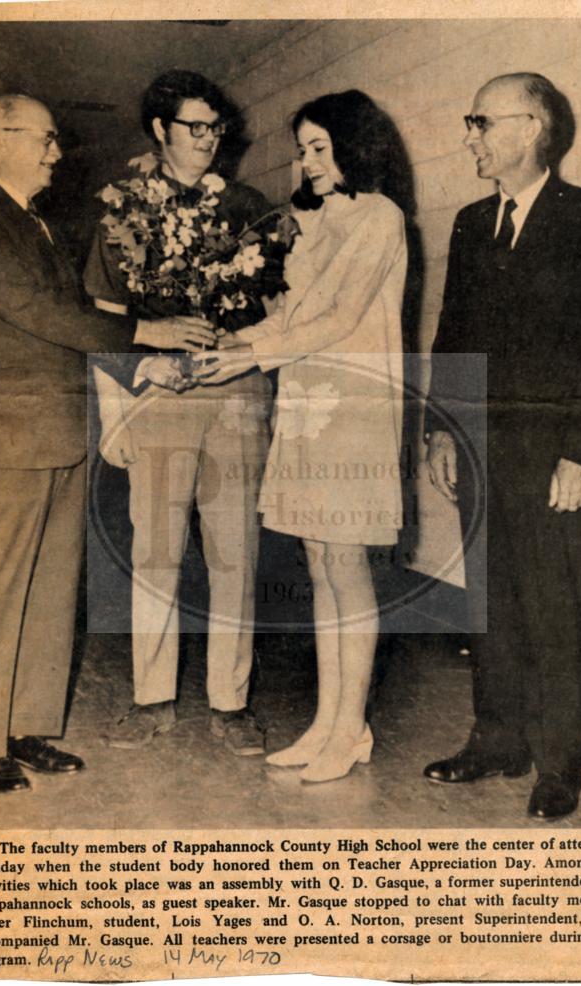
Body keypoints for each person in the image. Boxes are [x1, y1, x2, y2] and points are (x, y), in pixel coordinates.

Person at [0, 94, 170, 792]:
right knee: (0, 588)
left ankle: (27, 729)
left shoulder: (35, 222)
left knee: (51, 591)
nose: (55, 152)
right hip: (3, 434)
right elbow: (45, 315)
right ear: (1, 138)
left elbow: (67, 316)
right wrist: (144, 336)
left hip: (60, 428)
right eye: (44, 139)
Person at [424, 73, 581, 819]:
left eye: (480, 121)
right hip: (483, 449)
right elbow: (453, 338)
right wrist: (442, 433)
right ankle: (497, 740)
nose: (470, 136)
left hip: (557, 460)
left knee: (553, 606)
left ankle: (557, 764)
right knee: (491, 604)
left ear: (530, 126)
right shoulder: (469, 223)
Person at [195, 90, 408, 782]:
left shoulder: (381, 217)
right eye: (303, 149)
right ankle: (329, 724)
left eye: (320, 147)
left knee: (345, 567)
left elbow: (344, 317)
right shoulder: (312, 223)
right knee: (320, 565)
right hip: (309, 405)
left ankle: (351, 729)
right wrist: (233, 341)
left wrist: (253, 354)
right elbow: (289, 317)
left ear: (355, 145)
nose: (308, 161)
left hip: (356, 410)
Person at [84, 70, 274, 755]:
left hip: (235, 396)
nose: (208, 139)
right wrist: (119, 408)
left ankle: (231, 702)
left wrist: (249, 357)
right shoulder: (122, 209)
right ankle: (151, 699)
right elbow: (102, 320)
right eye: (194, 127)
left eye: (215, 128)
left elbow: (284, 310)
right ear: (160, 131)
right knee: (155, 554)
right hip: (160, 397)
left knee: (235, 556)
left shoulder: (250, 206)